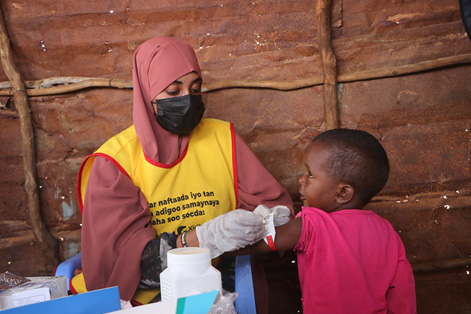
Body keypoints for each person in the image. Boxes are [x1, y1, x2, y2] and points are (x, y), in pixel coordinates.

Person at [73, 36, 293, 311]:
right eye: (173, 92)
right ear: (147, 93)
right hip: (142, 301)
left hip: (216, 286)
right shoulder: (114, 162)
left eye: (195, 88)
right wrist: (200, 240)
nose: (187, 100)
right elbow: (117, 265)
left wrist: (265, 222)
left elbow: (273, 208)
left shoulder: (223, 138)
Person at [239, 128, 417, 313]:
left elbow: (255, 242)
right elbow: (402, 294)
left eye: (310, 174)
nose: (301, 179)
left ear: (342, 193)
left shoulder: (313, 224)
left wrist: (213, 241)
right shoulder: (386, 231)